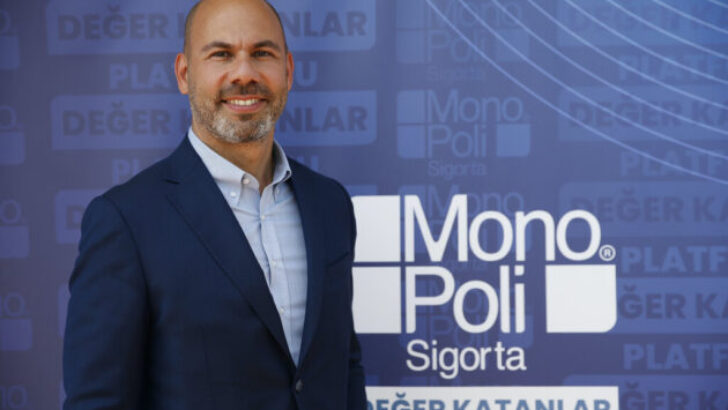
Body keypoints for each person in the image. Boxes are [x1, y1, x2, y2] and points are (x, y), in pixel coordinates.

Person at [62, 0, 367, 408]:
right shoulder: (127, 221)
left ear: (289, 70)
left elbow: (343, 366)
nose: (244, 73)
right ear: (184, 74)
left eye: (262, 53)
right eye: (221, 54)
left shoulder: (329, 204)